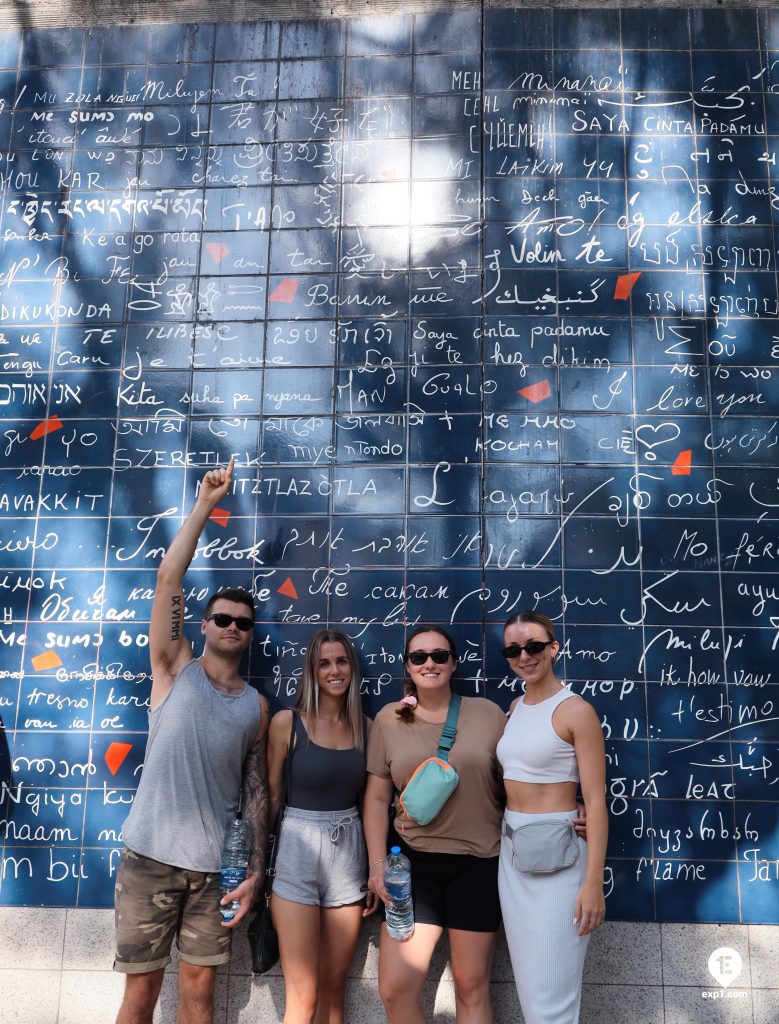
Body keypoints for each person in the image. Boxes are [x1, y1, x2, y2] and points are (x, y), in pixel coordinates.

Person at [113, 459, 269, 1024]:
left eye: (243, 623)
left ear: (250, 635)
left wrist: (253, 871)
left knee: (198, 993)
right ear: (201, 626)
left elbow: (256, 795)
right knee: (140, 993)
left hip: (213, 874)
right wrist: (205, 503)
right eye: (222, 618)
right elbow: (168, 581)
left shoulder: (256, 707)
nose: (232, 626)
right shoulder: (174, 668)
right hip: (149, 858)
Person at [363, 625, 506, 1024]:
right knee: (394, 988)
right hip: (412, 868)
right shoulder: (388, 721)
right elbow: (375, 798)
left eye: (439, 655)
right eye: (419, 656)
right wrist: (376, 866)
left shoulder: (489, 715)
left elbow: (520, 781)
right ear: (407, 666)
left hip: (478, 864)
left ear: (454, 662)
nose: (429, 663)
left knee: (471, 986)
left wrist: (568, 808)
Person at [497, 610, 607, 1024]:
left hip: (560, 864)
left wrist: (592, 883)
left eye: (534, 646)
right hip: (513, 858)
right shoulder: (514, 706)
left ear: (553, 648)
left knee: (552, 1005)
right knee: (531, 993)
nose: (524, 655)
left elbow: (595, 801)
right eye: (513, 649)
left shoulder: (576, 710)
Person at [268, 628, 377, 1024]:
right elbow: (271, 801)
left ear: (352, 668)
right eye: (324, 663)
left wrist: (374, 871)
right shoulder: (287, 723)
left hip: (348, 855)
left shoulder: (368, 727)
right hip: (297, 851)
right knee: (305, 996)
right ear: (312, 671)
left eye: (342, 661)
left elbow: (373, 803)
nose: (334, 670)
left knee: (334, 987)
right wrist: (252, 867)